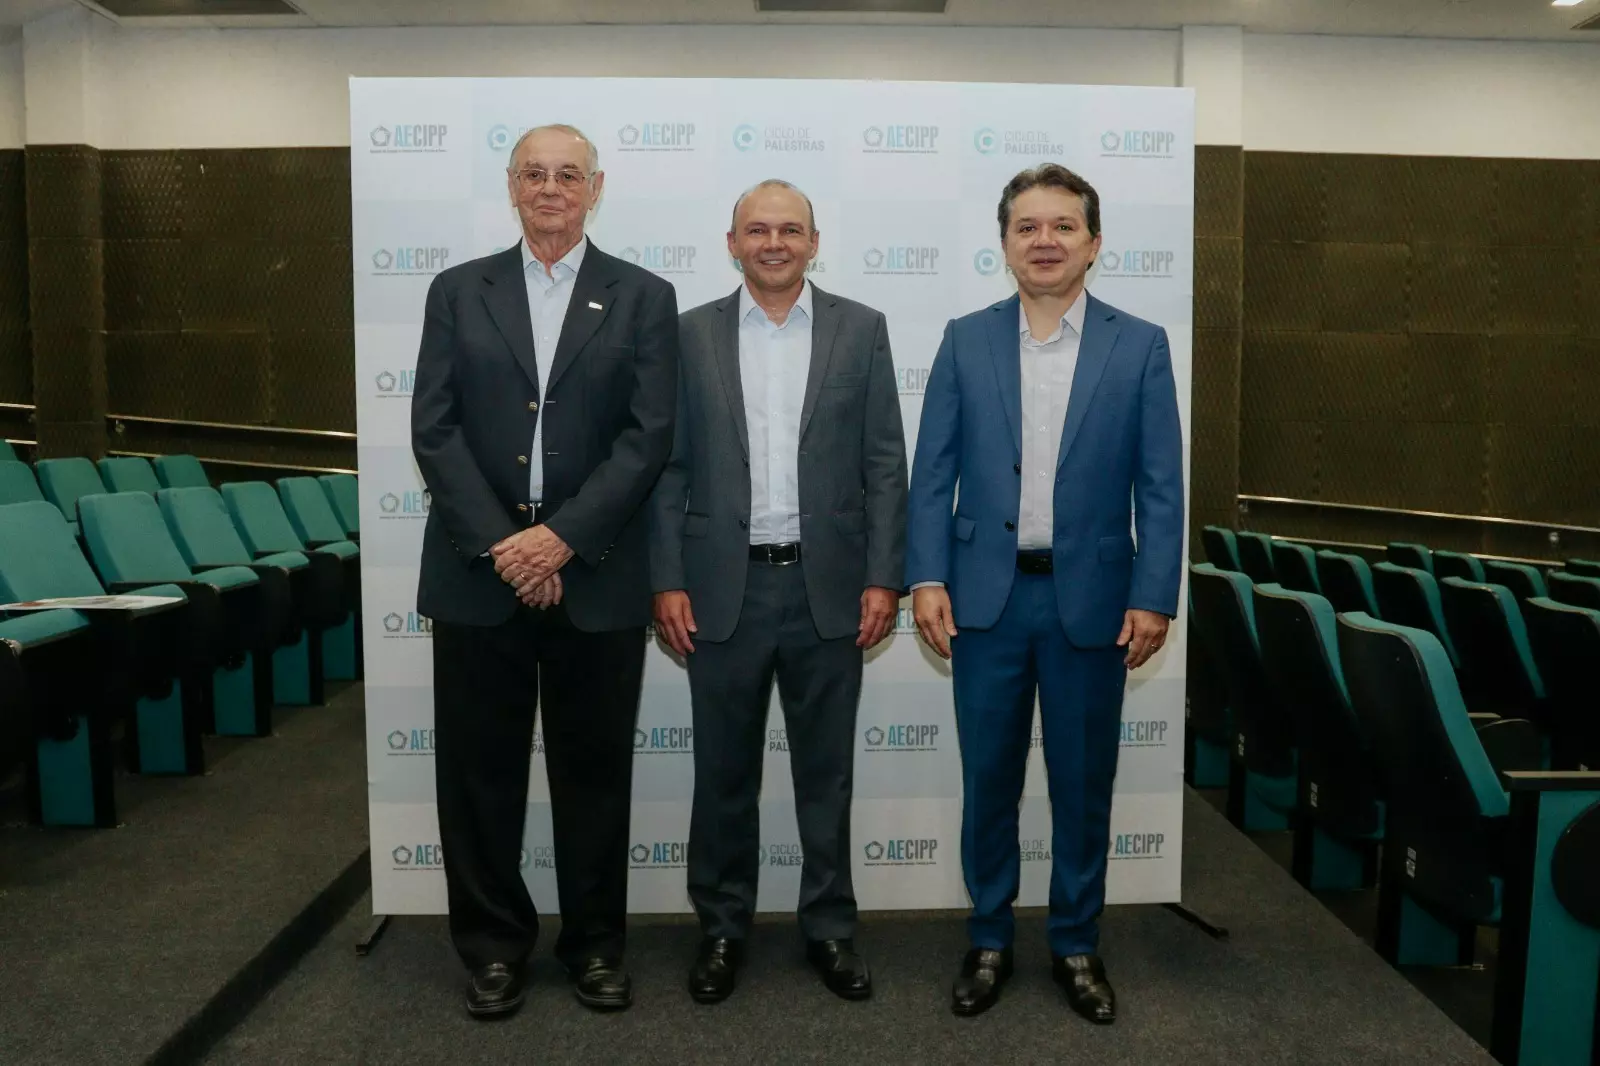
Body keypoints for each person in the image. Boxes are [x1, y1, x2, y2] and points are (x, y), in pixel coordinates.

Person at [411, 123, 679, 1018]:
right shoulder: (458, 290)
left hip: (593, 570)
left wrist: (560, 539)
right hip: (476, 569)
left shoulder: (642, 296)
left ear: (596, 188)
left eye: (569, 174)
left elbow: (648, 439)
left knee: (594, 775)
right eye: (536, 173)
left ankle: (596, 947)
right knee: (479, 775)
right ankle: (492, 949)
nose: (552, 188)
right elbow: (434, 430)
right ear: (512, 186)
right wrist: (507, 546)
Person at [904, 163, 1183, 1022]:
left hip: (1092, 607)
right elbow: (933, 474)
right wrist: (925, 575)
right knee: (988, 781)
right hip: (986, 603)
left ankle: (1076, 942)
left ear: (1094, 244)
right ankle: (988, 937)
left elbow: (1161, 486)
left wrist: (1154, 595)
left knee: (1082, 783)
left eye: (1064, 226)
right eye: (1028, 226)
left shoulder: (1140, 345)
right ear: (1005, 242)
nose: (1046, 241)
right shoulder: (964, 337)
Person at [649, 179, 907, 1005]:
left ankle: (829, 928)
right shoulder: (686, 335)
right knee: (723, 774)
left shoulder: (861, 330)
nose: (773, 243)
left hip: (829, 591)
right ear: (731, 242)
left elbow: (883, 467)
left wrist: (883, 576)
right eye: (757, 230)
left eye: (789, 230)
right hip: (721, 592)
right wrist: (667, 579)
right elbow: (668, 470)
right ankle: (722, 929)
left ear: (814, 240)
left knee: (825, 776)